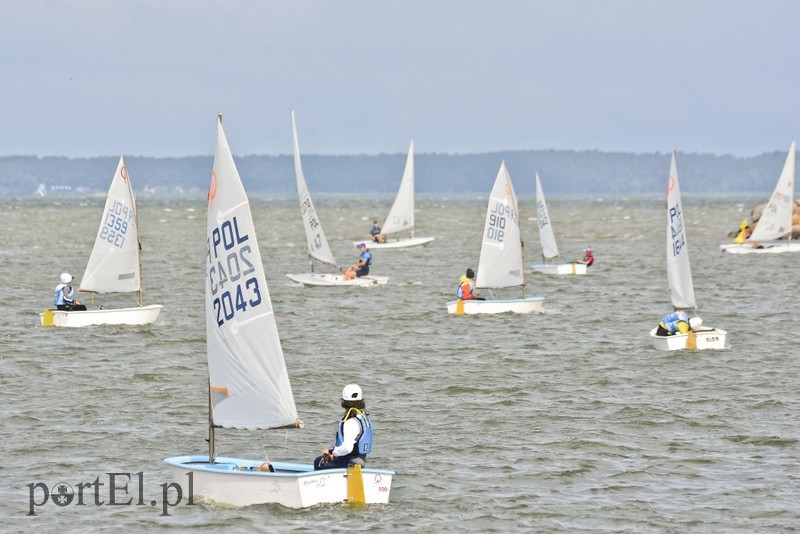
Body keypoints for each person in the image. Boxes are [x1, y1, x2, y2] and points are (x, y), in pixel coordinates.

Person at [314, 384, 373, 470]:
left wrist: (331, 451)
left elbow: (347, 448)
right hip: (361, 460)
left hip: (350, 462)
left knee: (318, 461)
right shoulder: (362, 417)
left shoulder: (350, 422)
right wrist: (335, 455)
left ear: (343, 402)